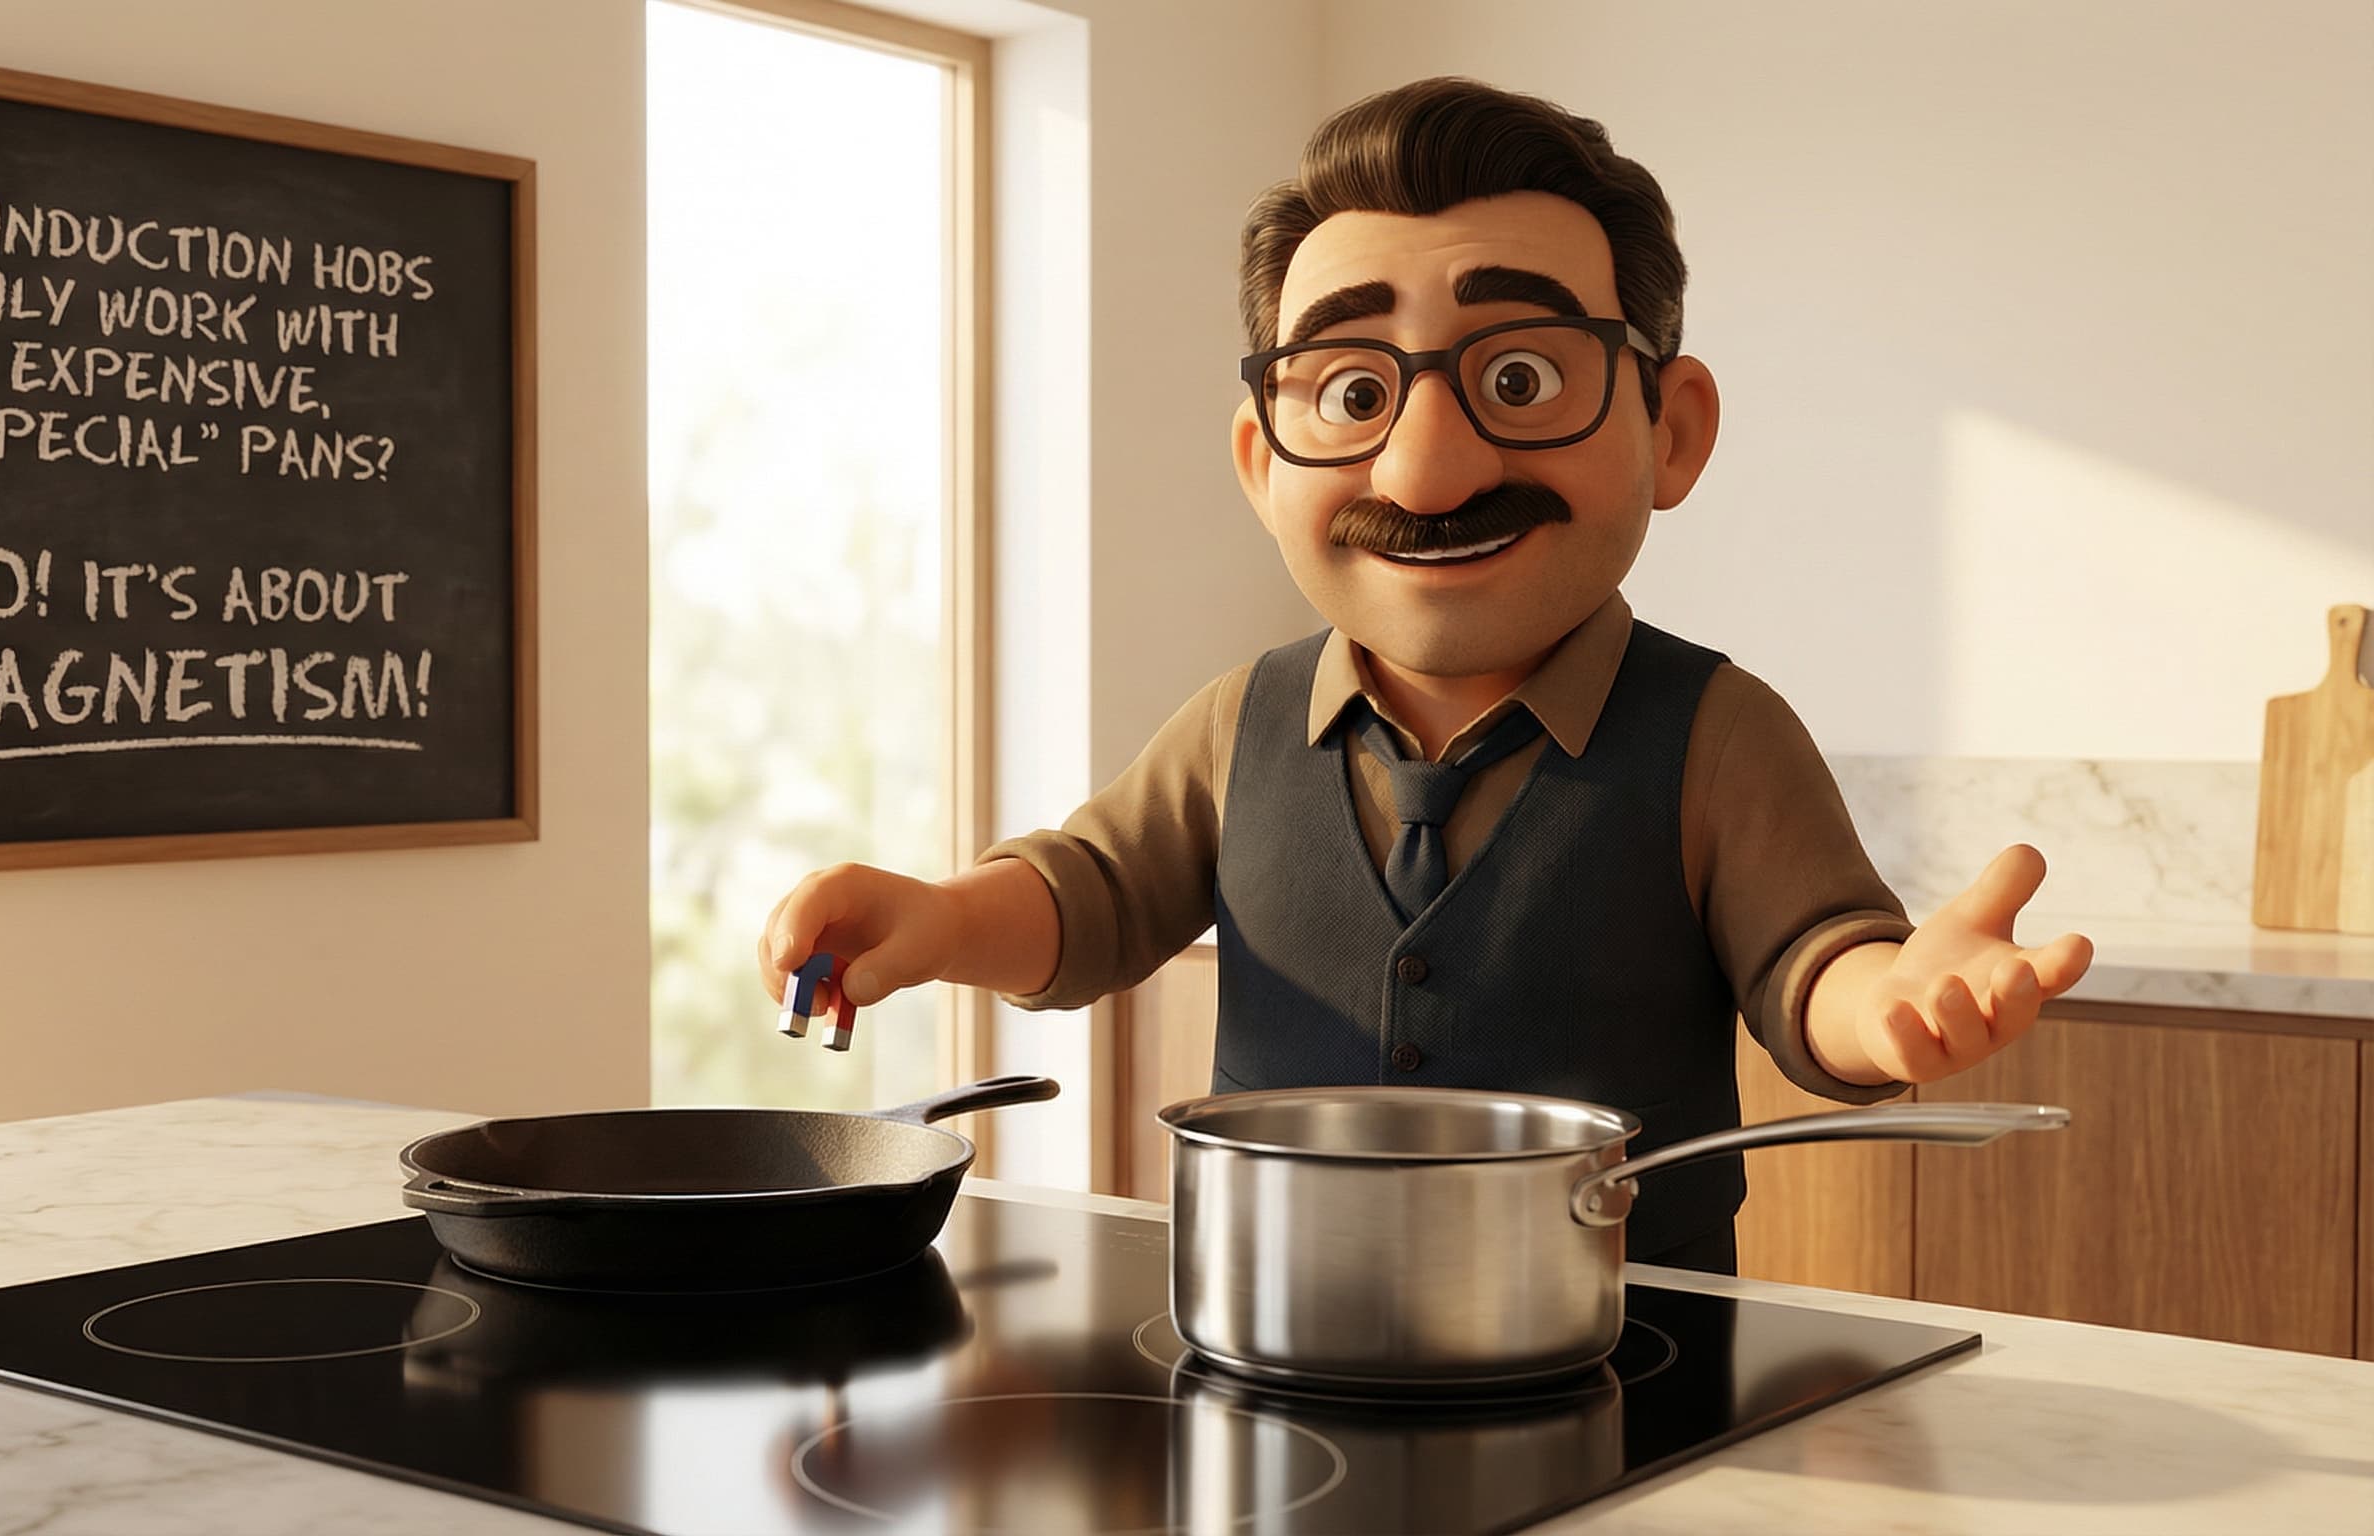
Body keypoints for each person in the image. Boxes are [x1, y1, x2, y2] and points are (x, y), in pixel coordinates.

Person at [755, 76, 2093, 1275]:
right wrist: (941, 919)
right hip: (1274, 1312)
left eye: (1519, 377)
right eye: (1353, 394)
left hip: (1630, 1345)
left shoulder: (1716, 735)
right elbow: (1093, 893)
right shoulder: (1240, 723)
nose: (1427, 470)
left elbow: (1813, 961)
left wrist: (1887, 1005)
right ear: (1262, 459)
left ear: (1671, 430)